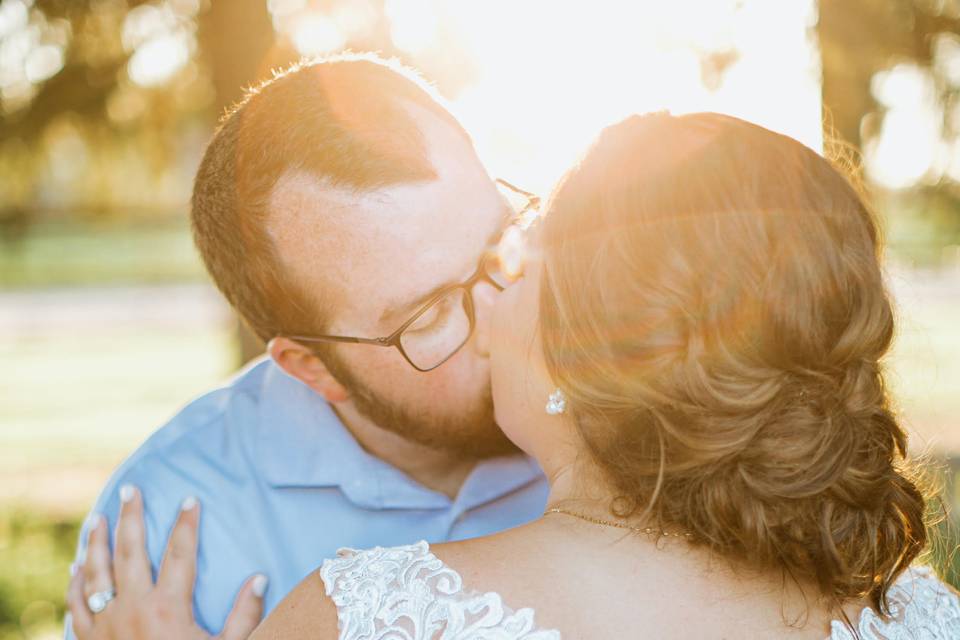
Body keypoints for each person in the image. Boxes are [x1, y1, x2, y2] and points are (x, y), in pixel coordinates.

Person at [73, 112, 960, 638]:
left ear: (599, 342)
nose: (488, 309)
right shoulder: (921, 614)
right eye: (424, 317)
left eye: (510, 253)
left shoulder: (360, 615)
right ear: (311, 366)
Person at [64, 53, 548, 639]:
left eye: (504, 241)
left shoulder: (632, 406)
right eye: (431, 314)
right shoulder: (167, 533)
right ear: (313, 367)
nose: (506, 316)